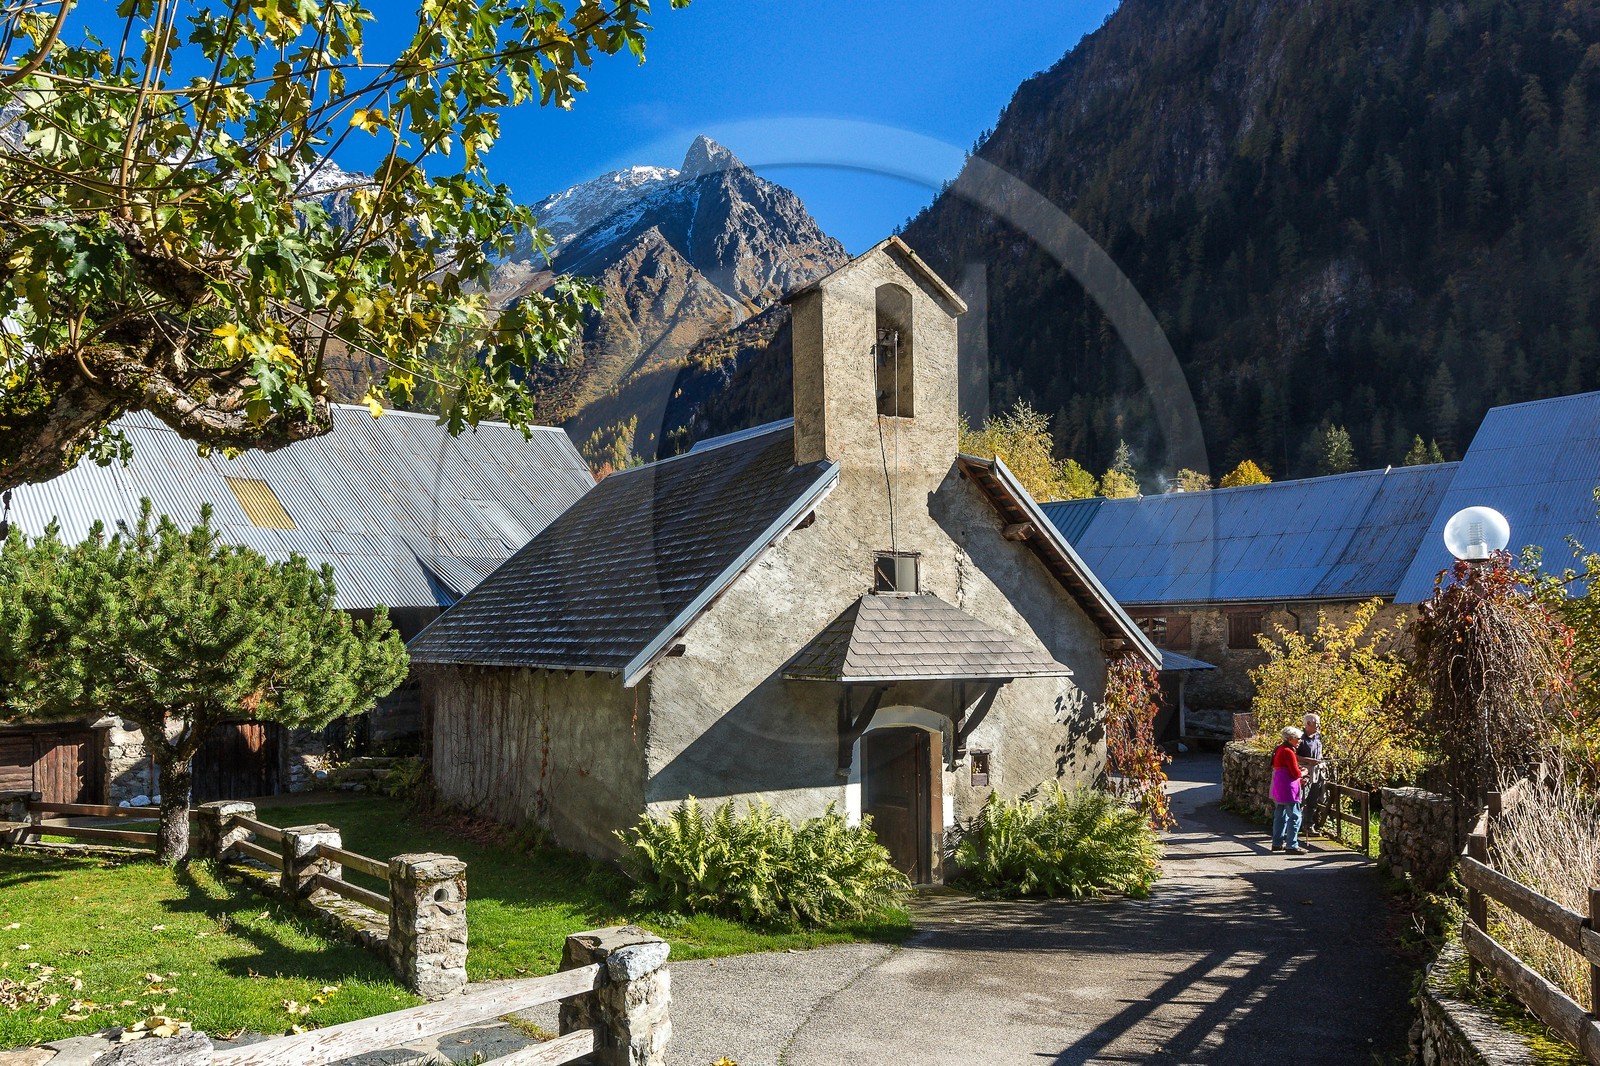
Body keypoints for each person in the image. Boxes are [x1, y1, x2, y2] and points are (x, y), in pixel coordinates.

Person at [1270, 725, 1308, 854]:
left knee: (1280, 815)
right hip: (1289, 789)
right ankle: (1292, 845)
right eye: (1298, 739)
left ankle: (1277, 843)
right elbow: (1295, 773)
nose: (1299, 741)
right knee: (1295, 816)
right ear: (1290, 738)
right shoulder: (1288, 751)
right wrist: (1304, 772)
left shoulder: (1279, 749)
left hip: (1279, 787)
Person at [1298, 713, 1326, 832]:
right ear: (1308, 724)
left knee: (1313, 799)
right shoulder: (1300, 738)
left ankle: (1309, 825)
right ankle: (1297, 826)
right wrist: (1307, 760)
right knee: (1301, 800)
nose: (1319, 726)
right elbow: (1292, 755)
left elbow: (1319, 751)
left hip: (1316, 772)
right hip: (1304, 773)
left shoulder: (1318, 736)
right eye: (1317, 724)